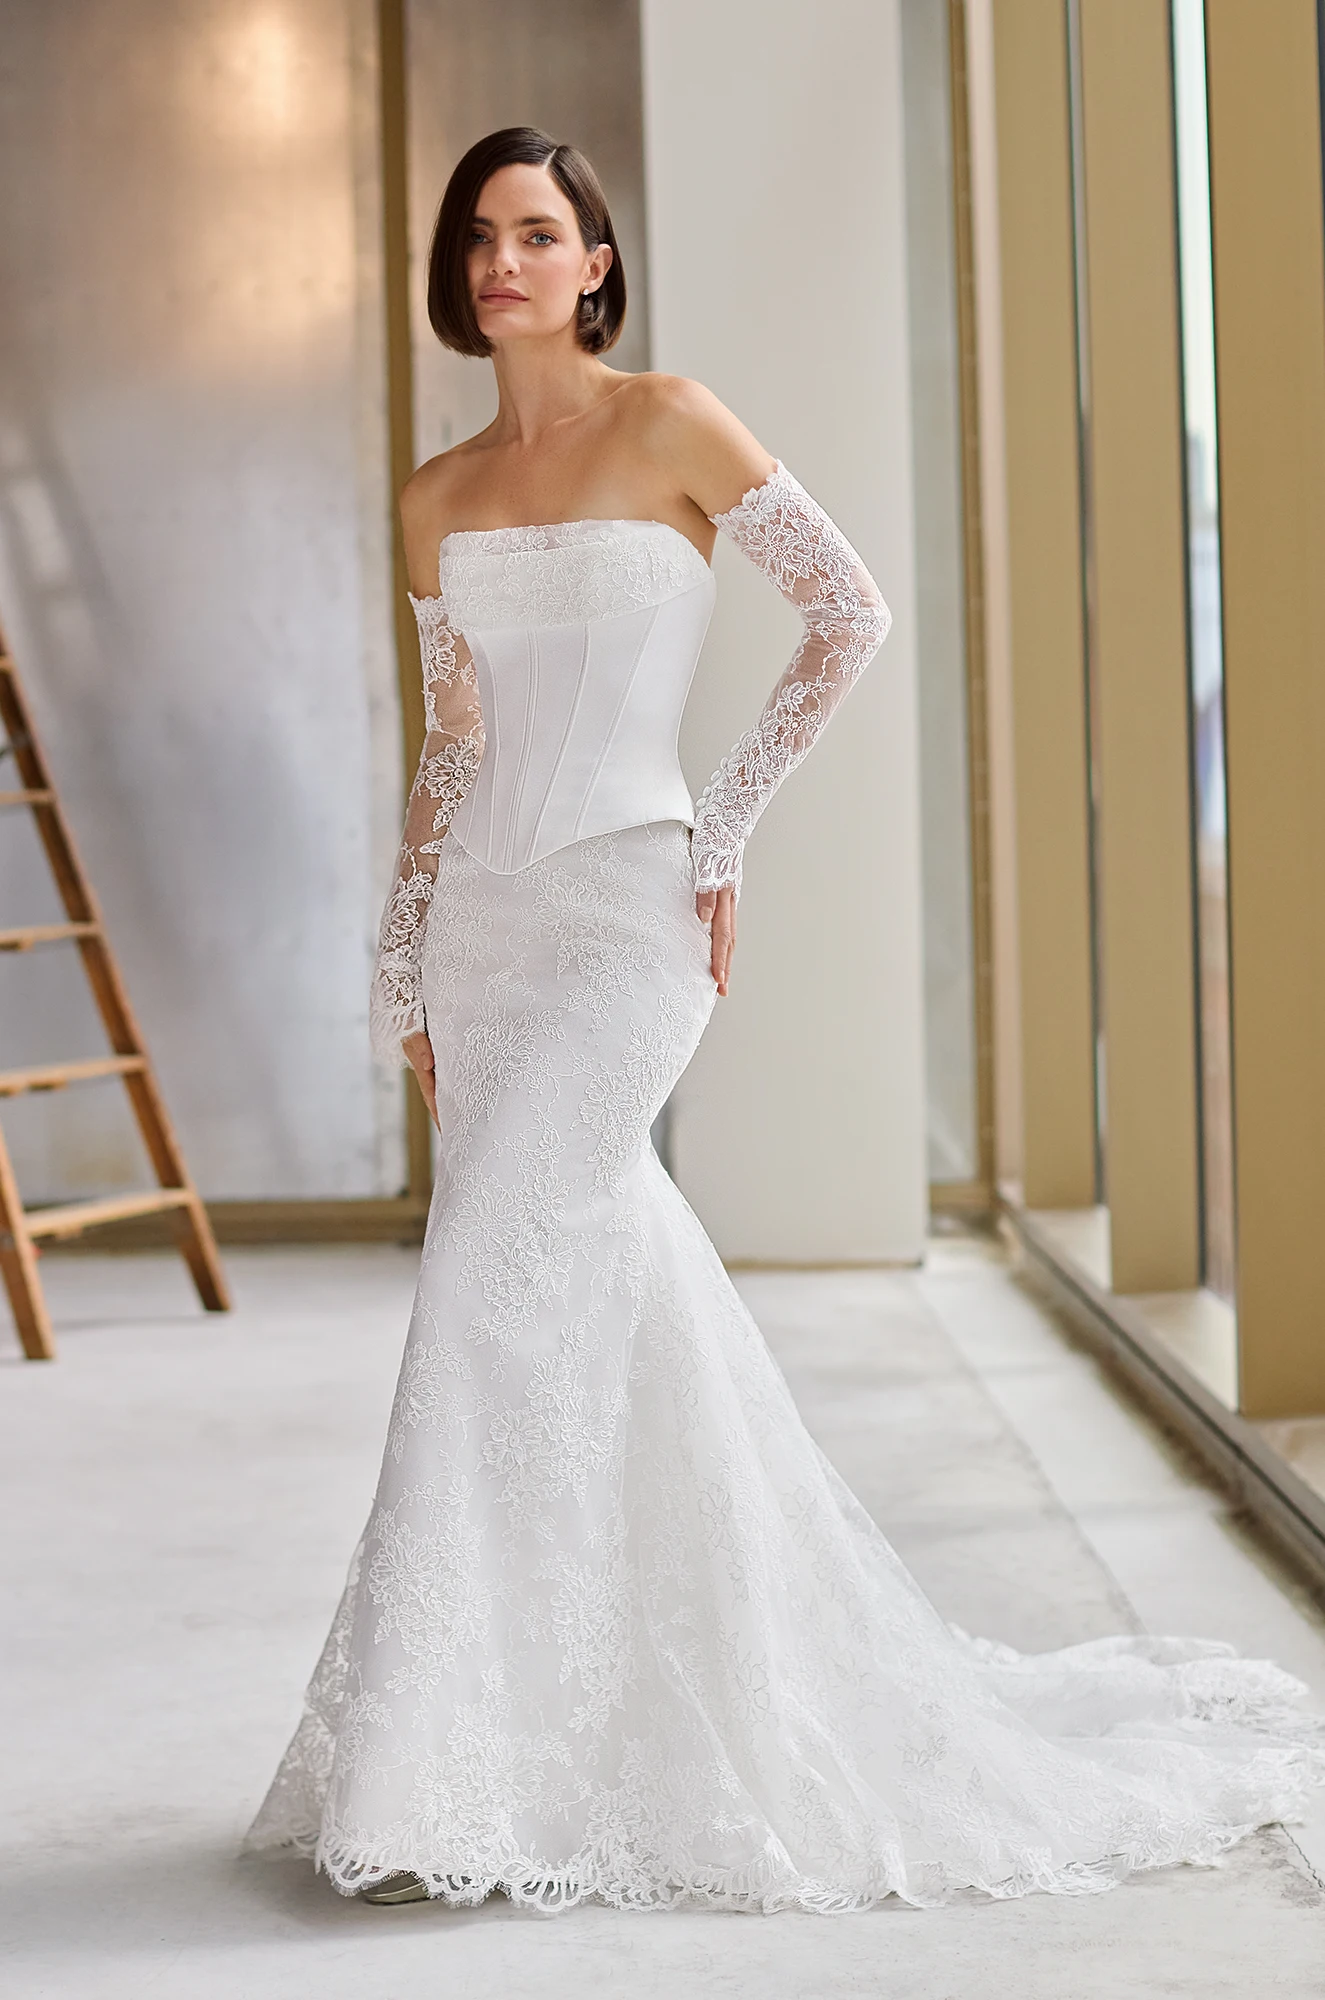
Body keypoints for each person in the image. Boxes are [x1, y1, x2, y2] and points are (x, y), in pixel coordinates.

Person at [245, 126, 1323, 1912]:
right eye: (481, 239)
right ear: (459, 277)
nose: (505, 262)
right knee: (599, 1287)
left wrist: (724, 825)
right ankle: (559, 1728)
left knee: (491, 1276)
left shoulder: (672, 418)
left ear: (596, 262)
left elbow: (849, 611)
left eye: (538, 235)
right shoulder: (434, 495)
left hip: (629, 916)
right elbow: (455, 749)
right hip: (491, 940)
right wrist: (402, 957)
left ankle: (449, 1773)